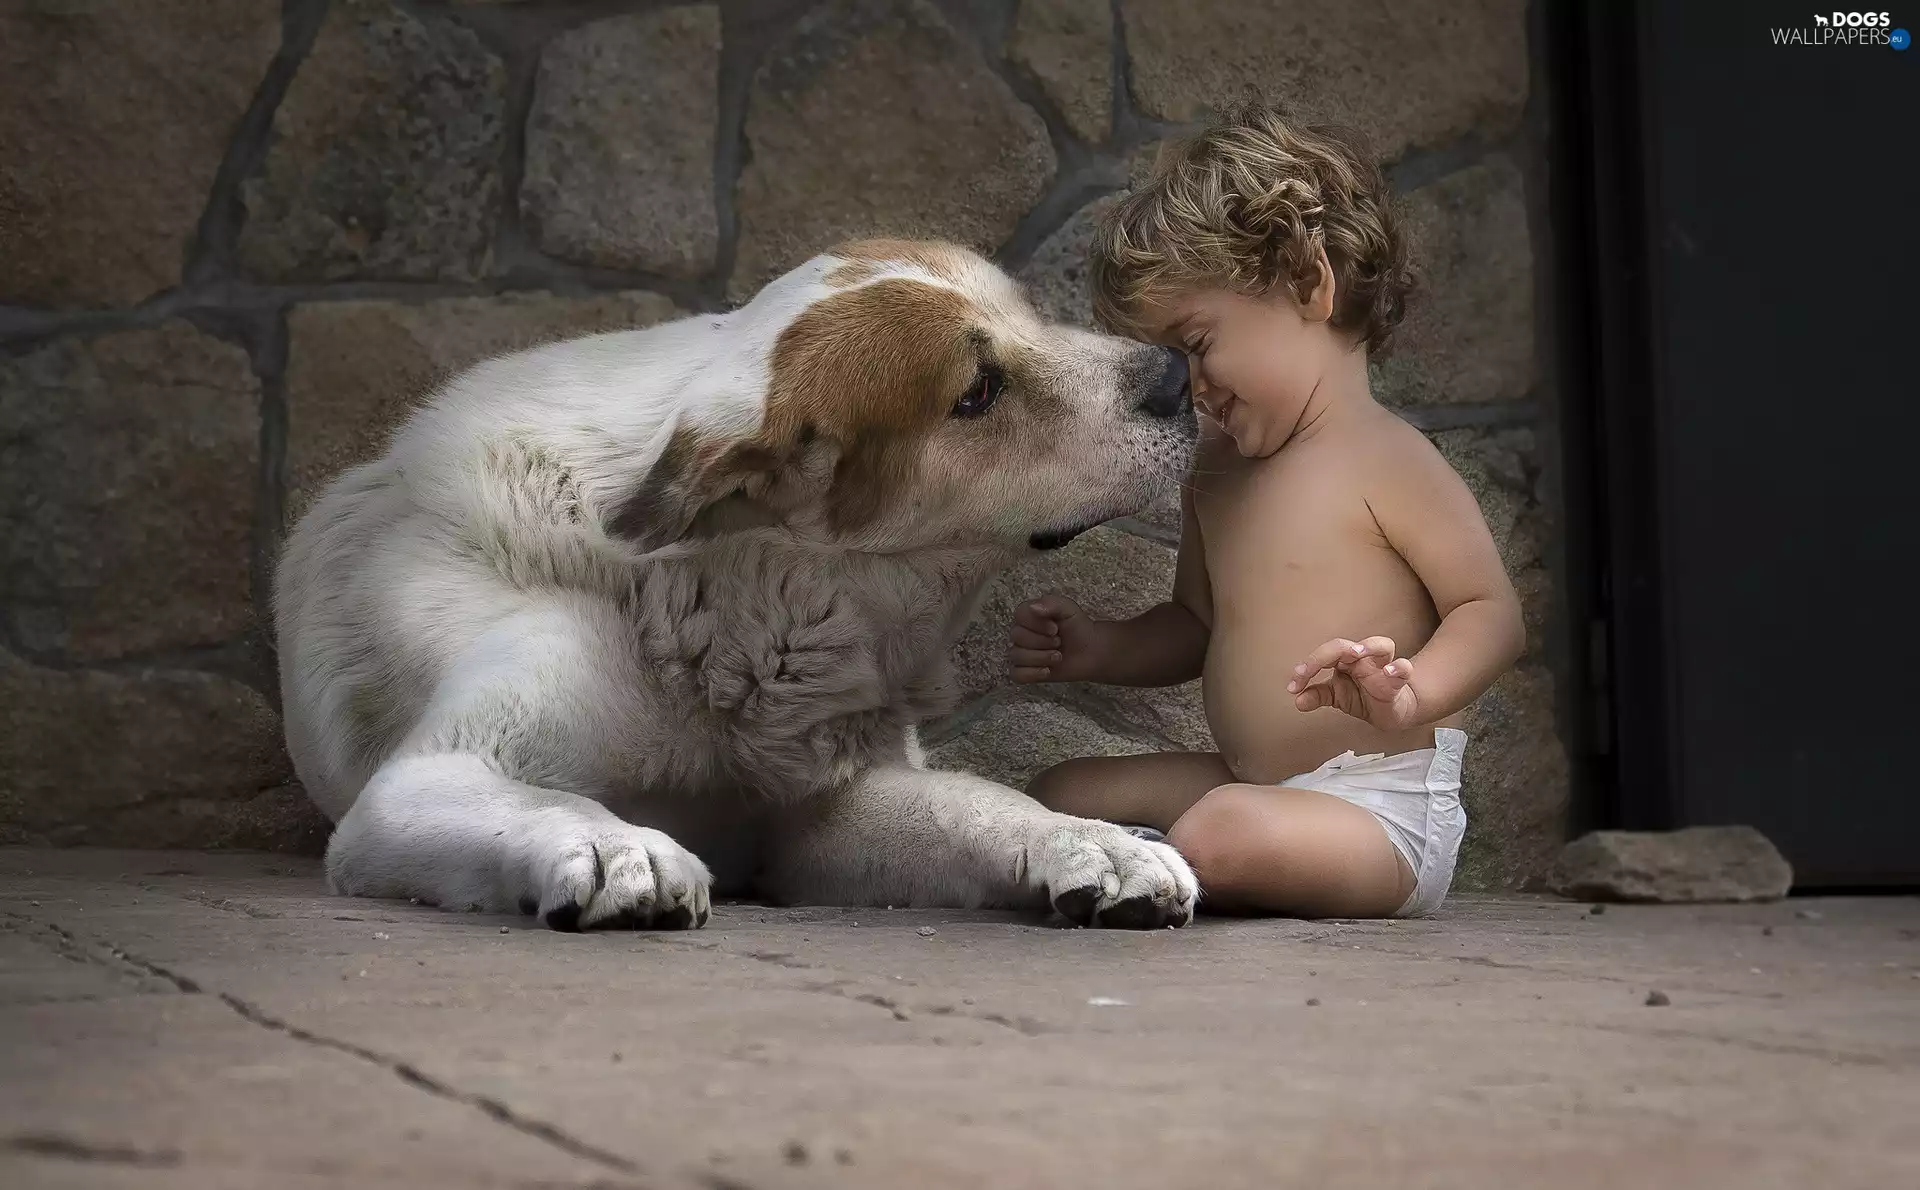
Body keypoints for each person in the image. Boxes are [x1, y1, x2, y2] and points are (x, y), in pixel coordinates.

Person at [1012, 102, 1524, 919]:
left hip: (1376, 815)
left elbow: (1490, 612)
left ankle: (1154, 876)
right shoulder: (1215, 469)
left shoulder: (1388, 459)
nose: (1191, 384)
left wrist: (1414, 693)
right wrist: (1101, 647)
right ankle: (1139, 873)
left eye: (1199, 344)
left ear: (1309, 283)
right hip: (1255, 782)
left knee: (1222, 831)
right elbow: (1194, 623)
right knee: (1055, 796)